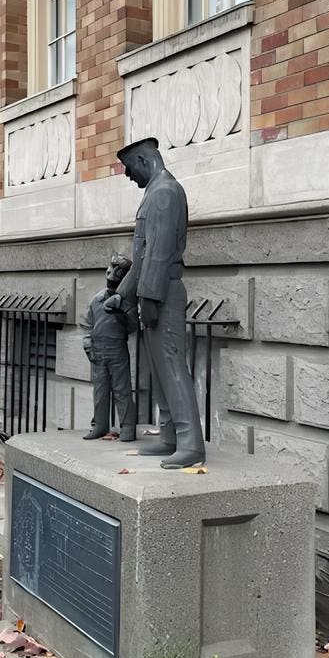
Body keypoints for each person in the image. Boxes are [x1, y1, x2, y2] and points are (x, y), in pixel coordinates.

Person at [105, 136, 205, 470]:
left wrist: (146, 297)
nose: (128, 176)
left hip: (162, 292)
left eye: (129, 167)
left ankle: (190, 444)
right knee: (160, 372)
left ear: (145, 160)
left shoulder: (164, 194)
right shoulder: (156, 193)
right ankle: (168, 436)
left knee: (173, 369)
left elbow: (159, 255)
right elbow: (144, 256)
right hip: (153, 290)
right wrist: (124, 295)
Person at [81, 253, 138, 443]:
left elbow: (133, 328)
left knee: (122, 390)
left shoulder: (127, 303)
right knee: (100, 390)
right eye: (111, 269)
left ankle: (128, 427)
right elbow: (87, 324)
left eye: (116, 271)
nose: (111, 273)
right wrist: (88, 343)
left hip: (117, 349)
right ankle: (99, 425)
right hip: (98, 350)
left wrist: (122, 312)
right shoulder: (96, 299)